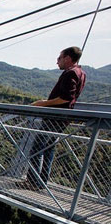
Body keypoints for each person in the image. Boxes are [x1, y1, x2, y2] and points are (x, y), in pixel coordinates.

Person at [25, 46, 86, 189]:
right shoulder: (81, 73)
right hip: (63, 119)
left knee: (38, 148)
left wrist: (44, 103)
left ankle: (33, 182)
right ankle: (41, 182)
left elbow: (66, 97)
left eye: (59, 58)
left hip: (55, 117)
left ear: (68, 58)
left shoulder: (70, 73)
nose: (57, 62)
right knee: (48, 149)